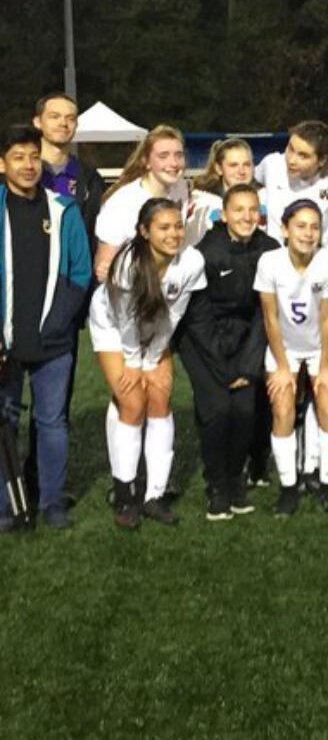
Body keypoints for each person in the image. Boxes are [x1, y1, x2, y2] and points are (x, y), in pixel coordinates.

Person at [90, 197, 208, 527]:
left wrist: (154, 357)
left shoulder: (192, 261)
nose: (174, 234)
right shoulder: (127, 264)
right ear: (144, 231)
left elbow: (175, 312)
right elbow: (124, 318)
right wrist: (134, 362)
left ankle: (154, 495)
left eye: (178, 226)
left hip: (157, 330)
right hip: (113, 328)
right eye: (164, 228)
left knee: (160, 395)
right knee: (132, 399)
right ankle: (125, 496)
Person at [0, 125, 91, 531]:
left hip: (52, 343)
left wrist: (57, 324)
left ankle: (52, 503)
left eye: (33, 157)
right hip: (5, 343)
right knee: (6, 425)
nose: (28, 165)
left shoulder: (63, 209)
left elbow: (80, 272)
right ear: (3, 164)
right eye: (18, 157)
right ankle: (7, 506)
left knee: (51, 423)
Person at [178, 183, 279, 520]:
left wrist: (247, 367)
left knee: (245, 412)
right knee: (218, 410)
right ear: (224, 213)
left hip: (248, 339)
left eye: (253, 210)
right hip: (203, 341)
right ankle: (216, 484)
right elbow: (198, 316)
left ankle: (236, 478)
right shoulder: (204, 253)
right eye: (239, 210)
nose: (247, 217)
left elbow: (265, 314)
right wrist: (224, 370)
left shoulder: (270, 249)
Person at [254, 200, 328, 517]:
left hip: (322, 346)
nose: (308, 233)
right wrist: (282, 367)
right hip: (285, 348)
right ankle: (289, 488)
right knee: (282, 409)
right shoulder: (269, 262)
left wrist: (324, 370)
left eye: (314, 226)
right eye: (300, 226)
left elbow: (326, 319)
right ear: (284, 229)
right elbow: (271, 318)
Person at [94, 125, 190, 281]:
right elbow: (103, 269)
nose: (173, 163)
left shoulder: (181, 188)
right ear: (146, 161)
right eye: (163, 156)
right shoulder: (120, 204)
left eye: (178, 155)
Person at [254, 120, 328, 249]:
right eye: (290, 149)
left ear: (321, 160)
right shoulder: (272, 164)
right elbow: (249, 184)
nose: (292, 160)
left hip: (318, 263)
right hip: (277, 261)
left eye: (303, 156)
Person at [33, 92, 105, 247]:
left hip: (76, 268)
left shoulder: (90, 179)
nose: (63, 123)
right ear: (38, 122)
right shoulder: (23, 175)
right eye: (54, 116)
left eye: (70, 118)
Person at [186, 137, 265, 245]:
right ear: (219, 169)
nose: (241, 171)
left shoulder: (265, 198)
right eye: (233, 165)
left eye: (246, 165)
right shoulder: (203, 202)